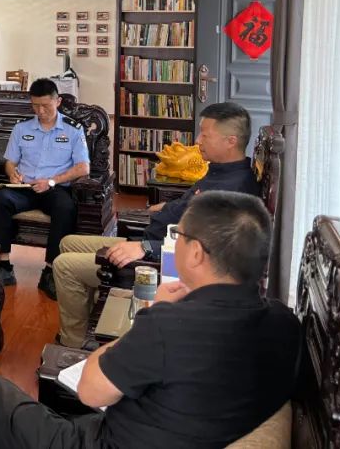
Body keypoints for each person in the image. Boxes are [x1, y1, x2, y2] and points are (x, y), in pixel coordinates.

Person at [0, 190, 301, 449]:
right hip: (171, 429)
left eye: (179, 237)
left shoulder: (170, 325)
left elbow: (90, 392)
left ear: (195, 253)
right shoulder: (286, 324)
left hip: (101, 441)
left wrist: (154, 314)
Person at [52, 101, 260, 349]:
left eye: (205, 135)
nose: (198, 141)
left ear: (231, 141)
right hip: (150, 239)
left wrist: (146, 248)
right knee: (68, 243)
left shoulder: (233, 191)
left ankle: (73, 345)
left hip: (158, 259)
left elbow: (207, 252)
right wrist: (165, 208)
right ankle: (87, 322)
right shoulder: (221, 171)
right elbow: (191, 204)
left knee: (64, 266)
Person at [0, 78, 89, 298]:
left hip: (54, 188)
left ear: (58, 101)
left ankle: (50, 271)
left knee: (66, 208)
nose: (40, 111)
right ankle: (4, 265)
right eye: (35, 106)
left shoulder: (73, 130)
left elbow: (83, 168)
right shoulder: (22, 128)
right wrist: (12, 173)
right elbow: (10, 162)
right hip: (25, 187)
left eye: (45, 106)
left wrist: (52, 181)